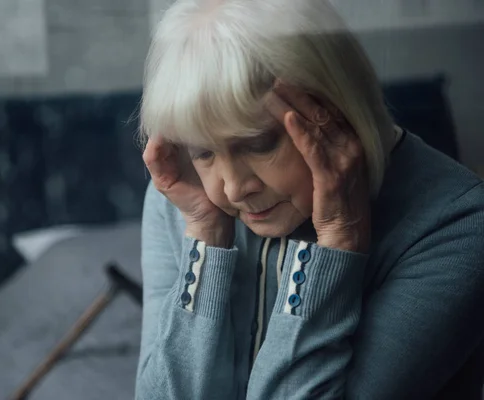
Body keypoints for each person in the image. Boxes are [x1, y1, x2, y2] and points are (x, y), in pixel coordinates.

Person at [136, 0, 484, 398]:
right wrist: (204, 236)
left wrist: (340, 239)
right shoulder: (186, 199)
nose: (232, 189)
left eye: (260, 143)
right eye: (203, 152)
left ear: (334, 109)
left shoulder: (459, 226)